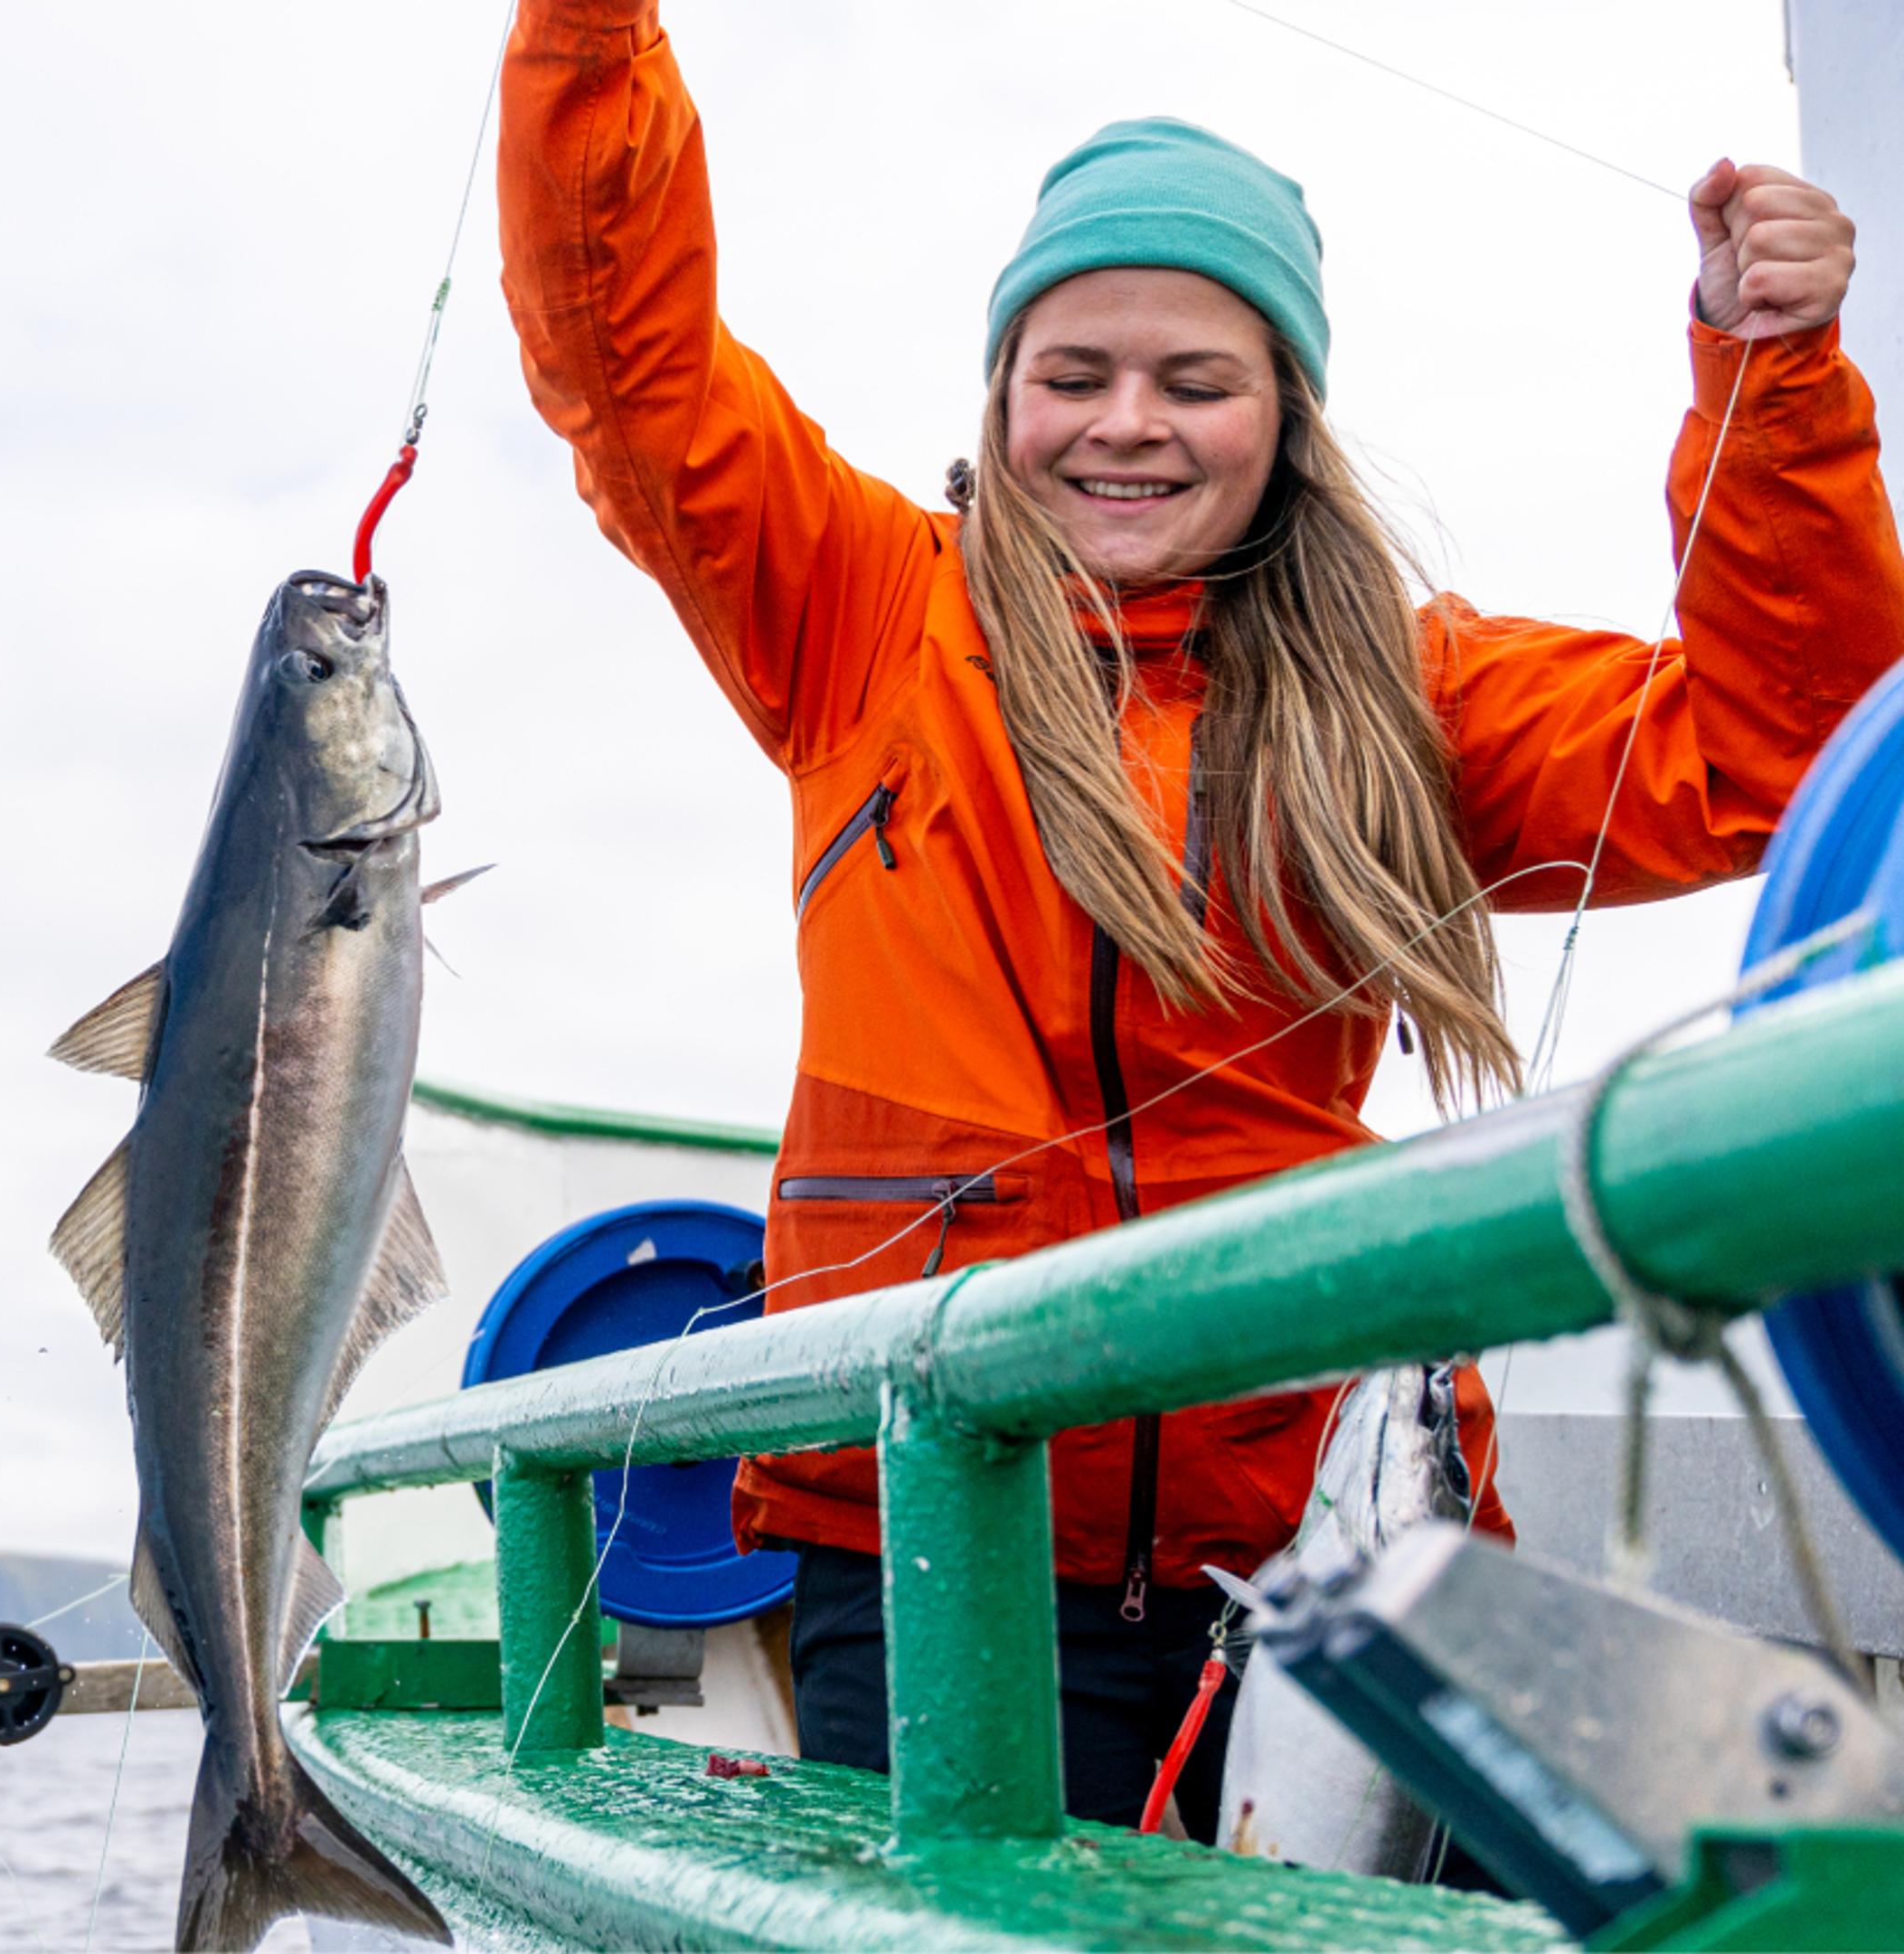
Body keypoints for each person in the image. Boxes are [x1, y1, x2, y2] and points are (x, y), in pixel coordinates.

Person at [495, 0, 1902, 1844]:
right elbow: (629, 357)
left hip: (1329, 1551)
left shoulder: (1417, 693)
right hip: (940, 1541)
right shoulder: (854, 613)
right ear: (1001, 397)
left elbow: (1788, 746)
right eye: (1073, 369)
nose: (1127, 424)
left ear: (1286, 417)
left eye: (1197, 378)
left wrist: (1771, 379)